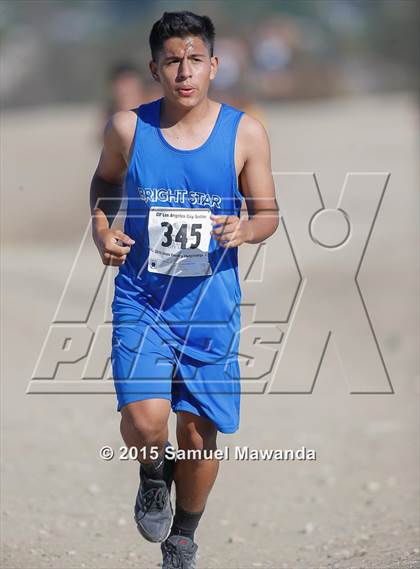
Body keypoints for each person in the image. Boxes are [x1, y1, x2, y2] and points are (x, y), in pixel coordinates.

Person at [90, 11, 278, 569]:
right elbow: (103, 182)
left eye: (196, 59)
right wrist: (103, 228)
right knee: (145, 422)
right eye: (173, 61)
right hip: (142, 299)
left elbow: (267, 212)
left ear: (214, 65)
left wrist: (246, 228)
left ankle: (183, 538)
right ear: (155, 68)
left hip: (209, 308)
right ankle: (153, 474)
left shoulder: (245, 132)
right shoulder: (128, 128)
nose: (185, 72)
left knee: (197, 435)